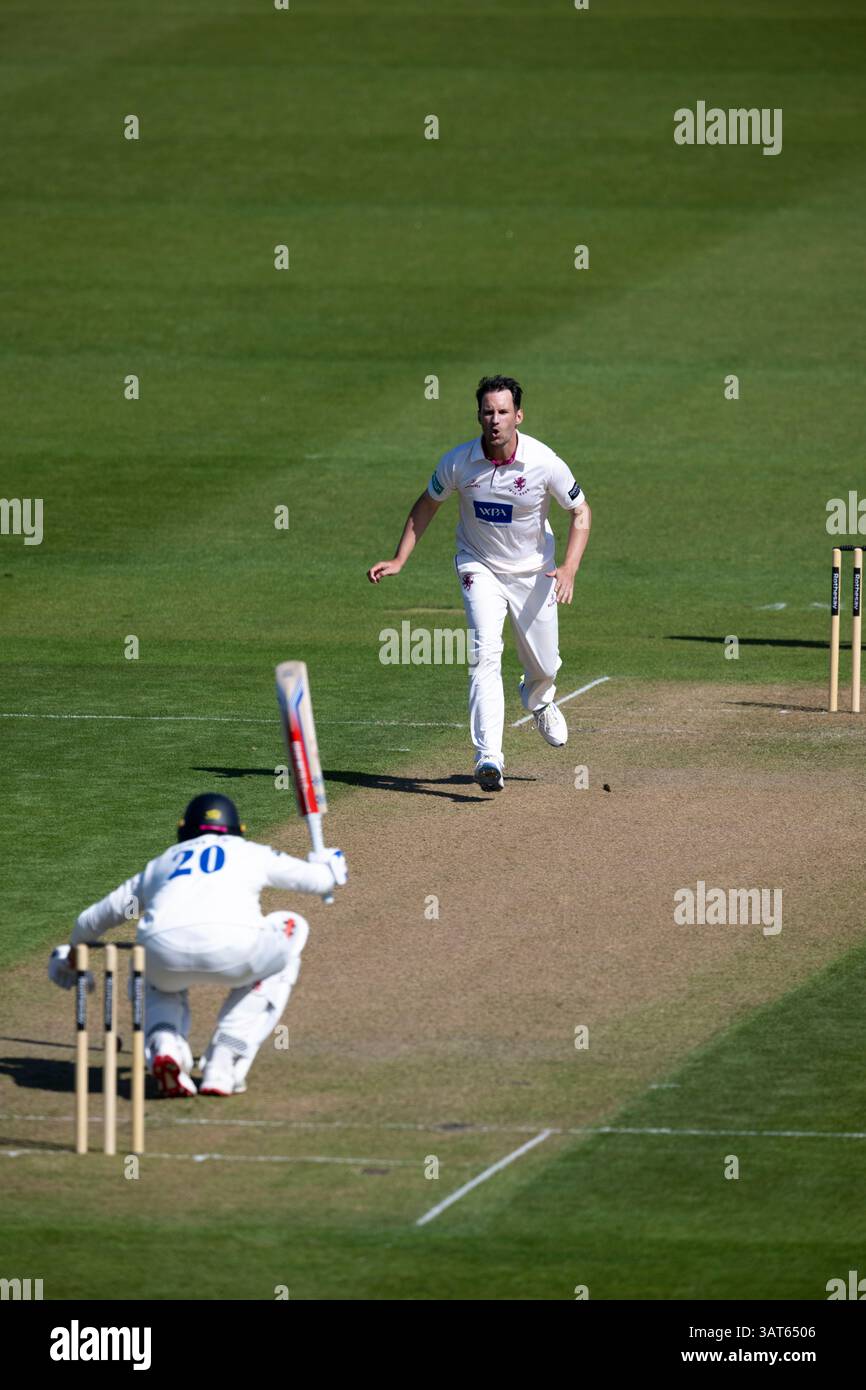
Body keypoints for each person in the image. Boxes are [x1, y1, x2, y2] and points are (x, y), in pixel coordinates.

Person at [367, 375, 592, 790]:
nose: (495, 419)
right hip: (479, 565)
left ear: (518, 416)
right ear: (479, 416)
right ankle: (489, 757)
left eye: (503, 412)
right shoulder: (458, 462)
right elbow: (427, 504)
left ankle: (539, 698)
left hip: (533, 571)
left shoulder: (545, 462)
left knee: (545, 663)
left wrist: (570, 567)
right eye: (488, 411)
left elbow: (580, 512)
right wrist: (401, 558)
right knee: (485, 651)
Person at [47, 793, 347, 1097]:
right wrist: (330, 864)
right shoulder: (250, 852)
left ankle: (165, 1045)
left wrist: (74, 951)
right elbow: (321, 882)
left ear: (184, 830)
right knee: (291, 930)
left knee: (147, 969)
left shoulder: (163, 862)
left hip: (163, 952)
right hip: (237, 949)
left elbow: (95, 918)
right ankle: (224, 1060)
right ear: (236, 829)